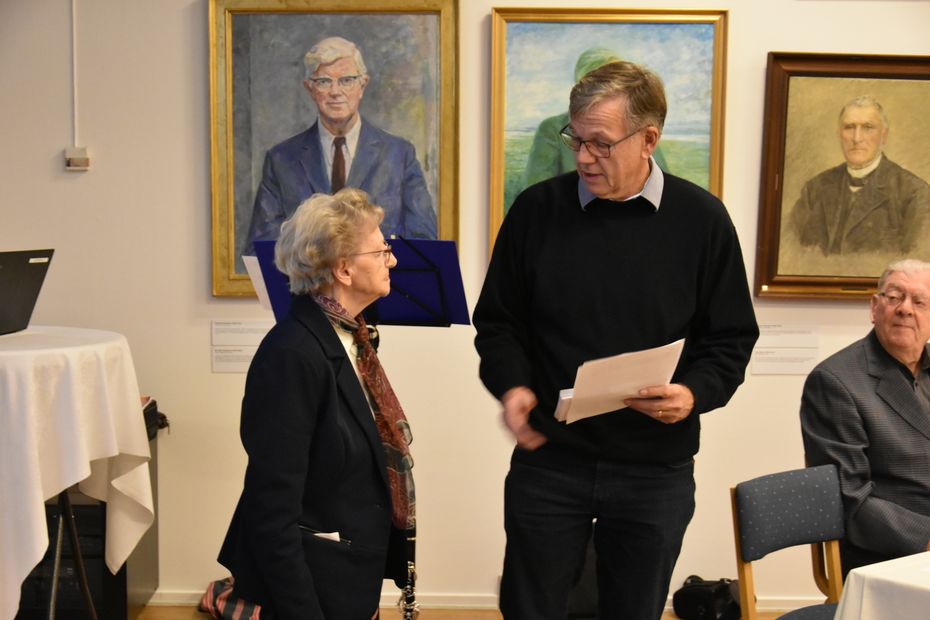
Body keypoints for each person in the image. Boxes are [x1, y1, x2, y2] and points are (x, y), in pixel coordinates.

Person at [472, 61, 759, 619]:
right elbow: (499, 323)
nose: (583, 157)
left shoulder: (702, 220)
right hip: (550, 458)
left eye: (601, 144)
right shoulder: (536, 211)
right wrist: (512, 386)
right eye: (576, 139)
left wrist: (693, 394)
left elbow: (730, 338)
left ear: (648, 139)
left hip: (654, 468)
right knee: (530, 608)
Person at [216, 188, 415, 619]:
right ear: (343, 269)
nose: (393, 261)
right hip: (309, 590)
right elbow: (272, 509)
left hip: (346, 575)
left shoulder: (352, 337)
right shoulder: (292, 355)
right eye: (381, 250)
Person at [244, 36, 436, 255]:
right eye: (324, 81)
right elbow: (259, 250)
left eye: (346, 80)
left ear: (362, 85)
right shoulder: (281, 160)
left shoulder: (399, 155)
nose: (335, 91)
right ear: (309, 88)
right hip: (304, 278)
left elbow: (425, 244)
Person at [800, 258, 930, 575]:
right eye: (894, 297)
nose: (905, 309)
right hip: (892, 554)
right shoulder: (836, 382)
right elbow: (850, 498)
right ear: (874, 308)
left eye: (920, 301)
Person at [789, 95, 930, 255]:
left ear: (883, 136)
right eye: (849, 127)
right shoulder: (814, 188)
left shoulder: (915, 193)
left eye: (868, 127)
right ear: (839, 134)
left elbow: (917, 261)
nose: (856, 138)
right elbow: (789, 251)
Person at [521, 47, 669, 190]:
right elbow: (537, 191)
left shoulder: (637, 127)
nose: (582, 158)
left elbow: (662, 185)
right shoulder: (553, 128)